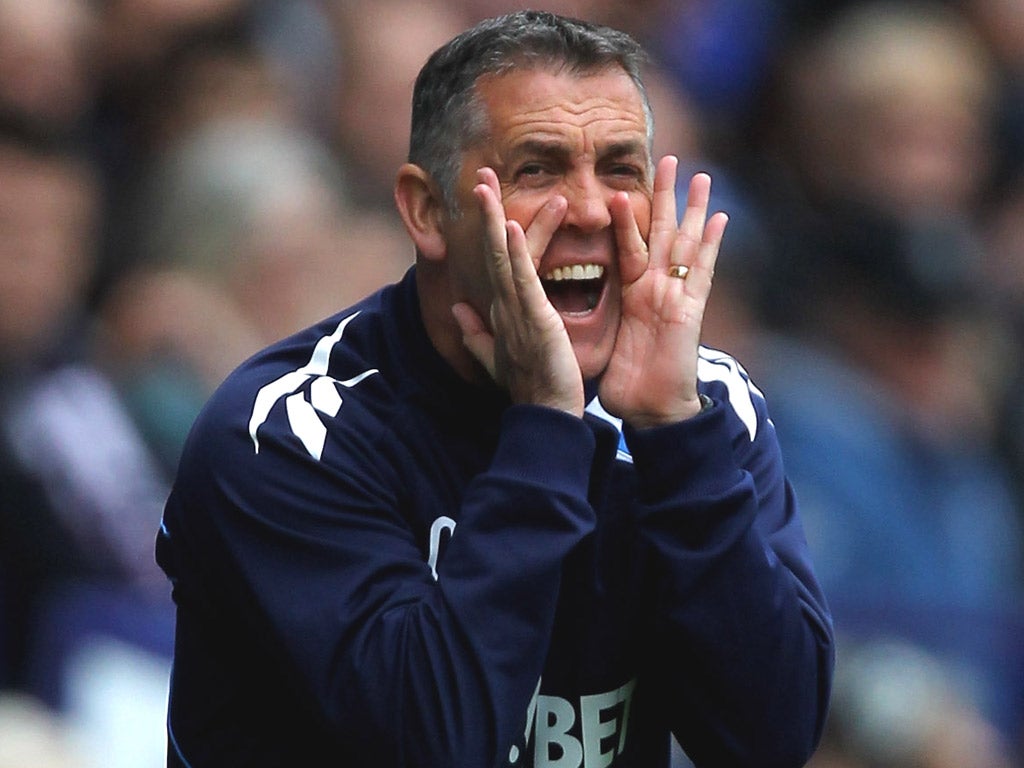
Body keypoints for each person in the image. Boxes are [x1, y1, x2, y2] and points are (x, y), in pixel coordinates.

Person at [156, 11, 834, 767]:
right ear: (427, 210)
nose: (587, 210)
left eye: (620, 170)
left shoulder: (703, 410)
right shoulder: (288, 434)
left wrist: (676, 438)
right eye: (537, 169)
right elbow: (429, 745)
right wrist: (545, 423)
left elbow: (770, 739)